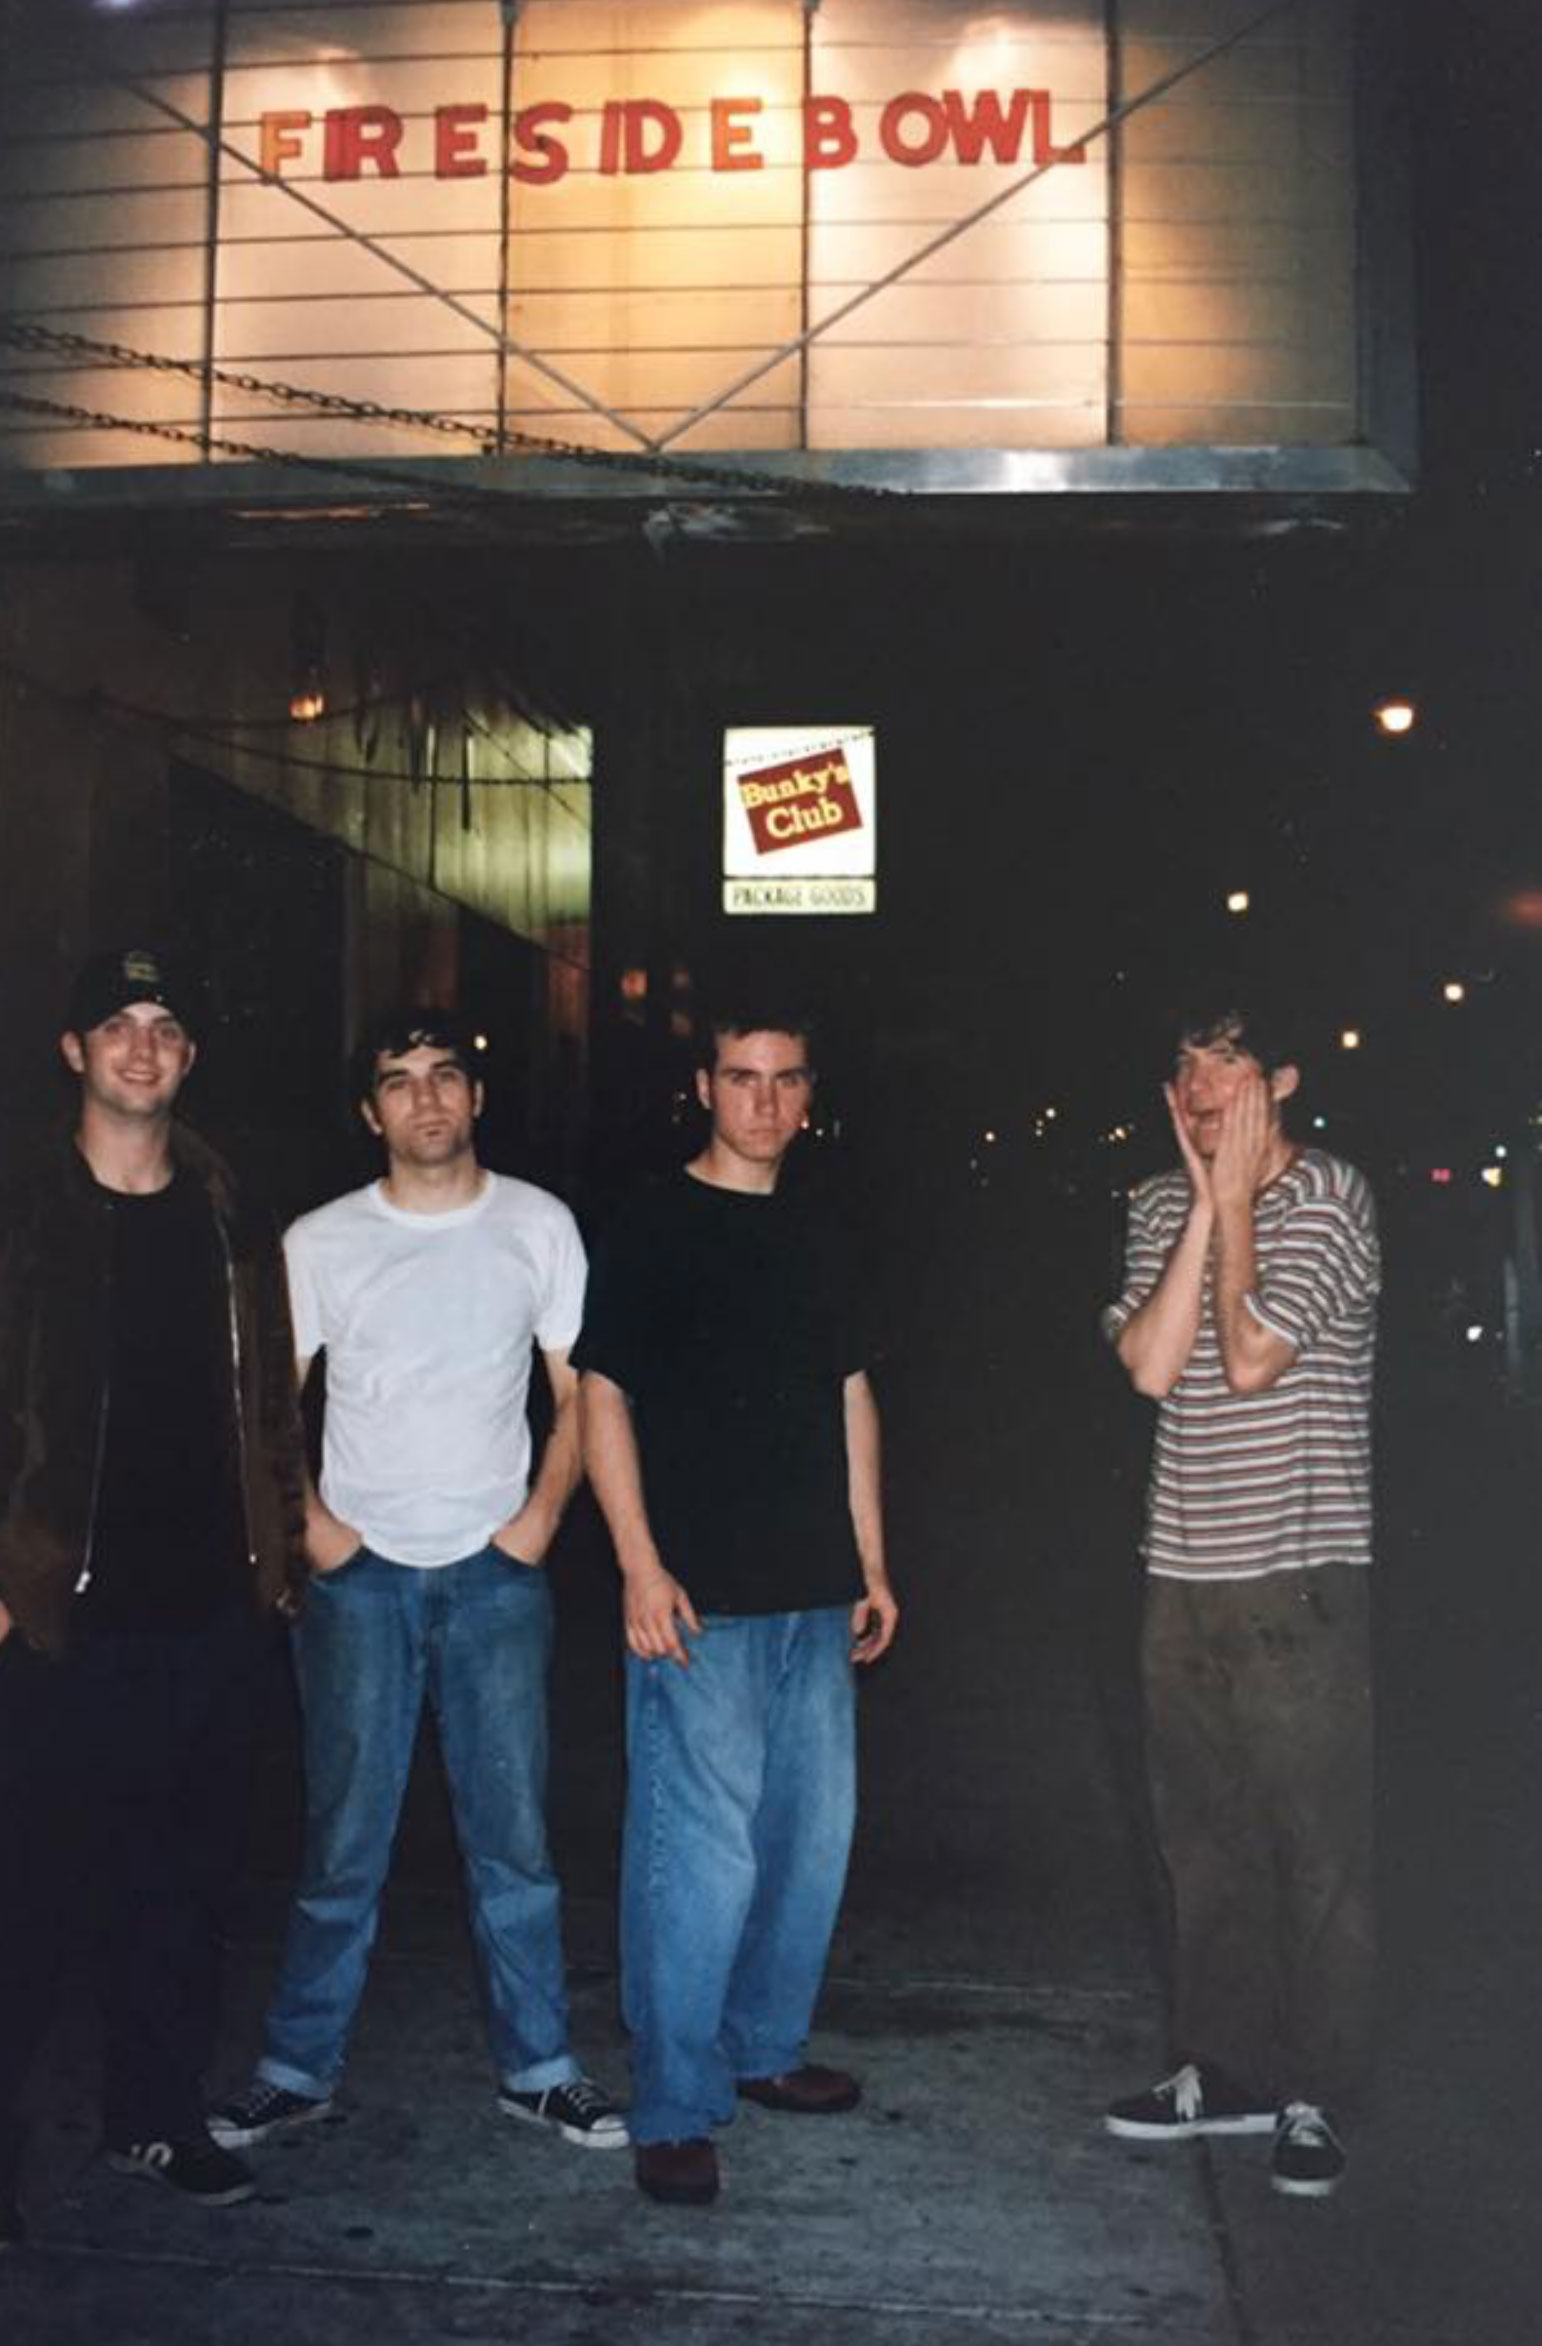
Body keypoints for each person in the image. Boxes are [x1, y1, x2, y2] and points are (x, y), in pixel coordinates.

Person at [210, 1009, 624, 2158]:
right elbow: (262, 1408)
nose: (427, 1100)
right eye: (400, 1082)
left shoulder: (538, 1225)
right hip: (360, 1582)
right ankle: (295, 2068)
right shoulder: (322, 1241)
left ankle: (540, 2068)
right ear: (370, 1110)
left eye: (446, 1076)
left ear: (476, 1097)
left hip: (495, 1578)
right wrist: (318, 1535)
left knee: (515, 1843)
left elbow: (578, 1386)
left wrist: (538, 1525)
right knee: (343, 1841)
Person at [0, 946, 308, 2239]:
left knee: (183, 1887)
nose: (142, 1045)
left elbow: (271, 1406)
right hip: (54, 1614)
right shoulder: (24, 1210)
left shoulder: (231, 1211)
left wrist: (275, 1564)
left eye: (167, 1025)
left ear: (188, 1056)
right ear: (72, 1049)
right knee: (29, 1889)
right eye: (115, 1024)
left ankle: (154, 2115)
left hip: (208, 1612)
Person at [575, 1007, 898, 2206]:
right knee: (693, 1858)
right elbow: (600, 1395)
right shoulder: (655, 1223)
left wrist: (871, 1561)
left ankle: (764, 2049)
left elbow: (850, 1395)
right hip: (698, 1597)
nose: (763, 1101)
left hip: (814, 1589)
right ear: (704, 1088)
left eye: (785, 1080)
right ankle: (672, 2101)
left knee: (807, 1841)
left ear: (809, 1093)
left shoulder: (822, 1230)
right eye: (741, 1078)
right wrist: (639, 1565)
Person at [1102, 1001, 1379, 2199]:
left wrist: (1236, 1212)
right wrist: (1207, 1203)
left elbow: (1254, 1349)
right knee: (1199, 1841)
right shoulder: (1157, 1204)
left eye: (1231, 1068)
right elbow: (1154, 1365)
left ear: (1287, 1082)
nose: (1204, 1090)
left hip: (1300, 1573)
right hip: (1181, 1571)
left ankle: (1320, 2087)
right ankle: (1222, 2066)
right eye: (1187, 1067)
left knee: (1315, 1848)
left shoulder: (1331, 1197)